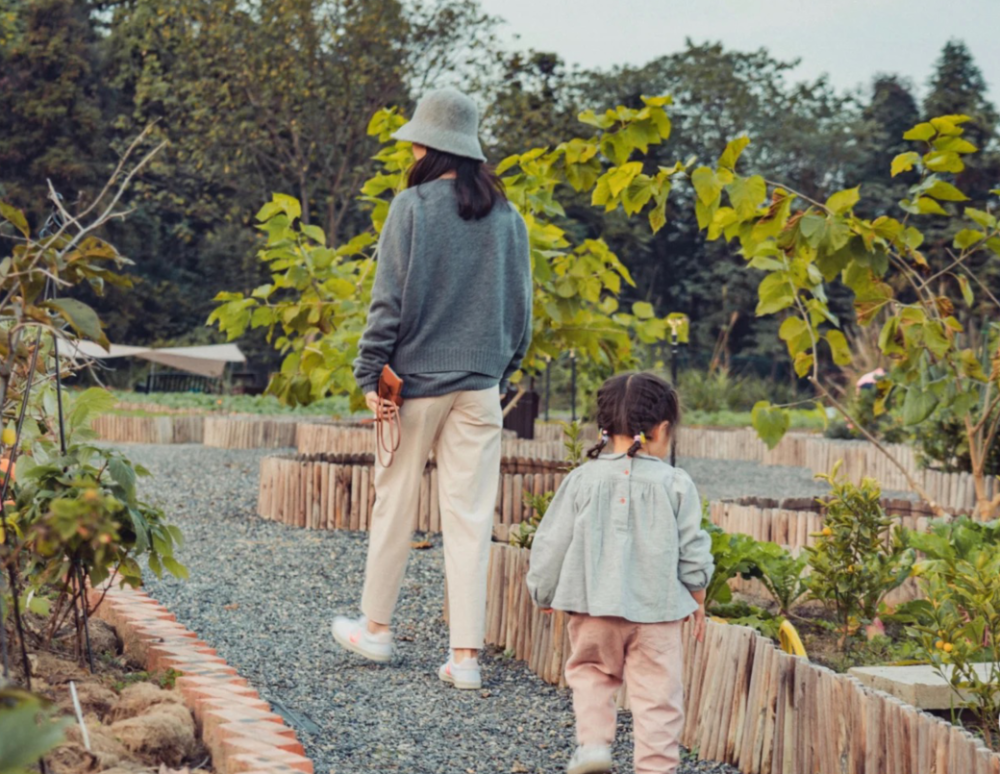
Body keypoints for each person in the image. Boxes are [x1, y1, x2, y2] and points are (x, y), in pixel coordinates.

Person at [332, 88, 532, 692]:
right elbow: (521, 313)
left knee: (394, 503)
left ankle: (377, 630)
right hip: (480, 388)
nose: (412, 147)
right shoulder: (510, 219)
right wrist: (501, 367)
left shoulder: (412, 207)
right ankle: (465, 659)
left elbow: (388, 302)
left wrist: (370, 372)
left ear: (431, 145)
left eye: (417, 138)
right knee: (470, 517)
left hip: (413, 386)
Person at [526, 373, 713, 774]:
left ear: (603, 428)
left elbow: (550, 542)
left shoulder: (581, 480)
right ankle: (655, 769)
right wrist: (697, 595)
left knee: (592, 674)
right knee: (658, 699)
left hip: (593, 607)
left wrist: (543, 592)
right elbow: (693, 548)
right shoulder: (676, 484)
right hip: (658, 615)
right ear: (662, 429)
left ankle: (593, 746)